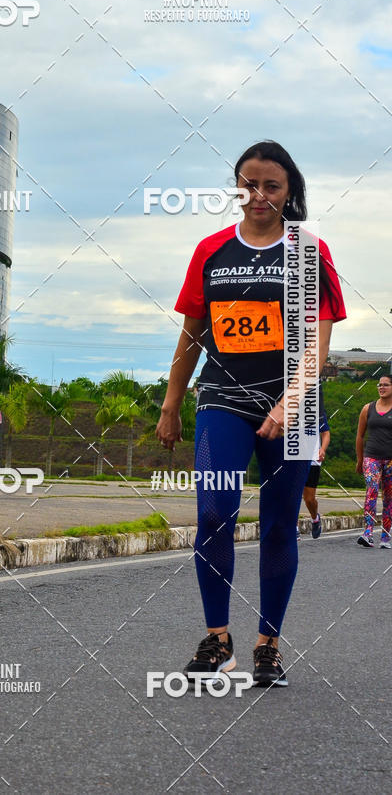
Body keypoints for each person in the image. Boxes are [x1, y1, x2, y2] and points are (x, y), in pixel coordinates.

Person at [156, 140, 346, 688]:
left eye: (271, 185)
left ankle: (269, 644)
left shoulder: (310, 251)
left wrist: (291, 402)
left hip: (294, 401)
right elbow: (192, 333)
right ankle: (218, 641)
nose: (258, 195)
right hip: (222, 397)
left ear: (290, 192)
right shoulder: (211, 250)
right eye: (248, 183)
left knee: (279, 523)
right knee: (214, 511)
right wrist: (172, 401)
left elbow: (318, 343)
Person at [355, 375, 392, 548]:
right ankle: (367, 533)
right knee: (371, 491)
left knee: (389, 497)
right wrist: (360, 459)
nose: (381, 387)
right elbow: (360, 436)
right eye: (379, 385)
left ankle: (385, 536)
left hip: (390, 460)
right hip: (372, 457)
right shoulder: (367, 408)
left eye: (386, 385)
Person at [297, 383, 330, 540]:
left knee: (309, 498)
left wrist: (322, 449)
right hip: (294, 456)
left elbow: (325, 434)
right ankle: (292, 526)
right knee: (292, 493)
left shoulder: (317, 412)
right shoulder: (289, 409)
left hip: (313, 459)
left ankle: (315, 518)